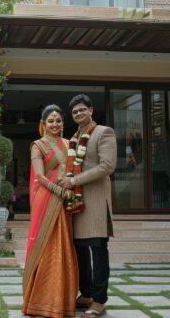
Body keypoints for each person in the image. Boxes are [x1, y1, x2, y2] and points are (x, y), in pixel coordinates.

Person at [58, 94, 116, 318]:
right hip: (77, 203)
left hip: (96, 202)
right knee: (81, 251)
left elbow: (107, 166)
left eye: (82, 110)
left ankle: (100, 301)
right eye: (74, 112)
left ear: (91, 110)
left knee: (98, 250)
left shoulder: (104, 132)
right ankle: (88, 293)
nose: (78, 114)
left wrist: (73, 181)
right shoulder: (74, 137)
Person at [22, 104, 78, 318]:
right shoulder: (38, 145)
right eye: (51, 120)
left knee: (63, 245)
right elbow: (40, 177)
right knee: (46, 244)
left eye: (58, 120)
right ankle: (38, 300)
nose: (55, 124)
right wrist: (60, 191)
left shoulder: (68, 144)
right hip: (47, 199)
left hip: (64, 202)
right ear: (43, 124)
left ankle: (60, 299)